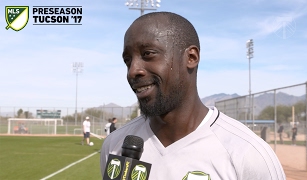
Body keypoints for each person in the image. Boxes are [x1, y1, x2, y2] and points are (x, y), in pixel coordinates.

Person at [100, 12, 285, 179]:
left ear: (191, 58)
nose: (132, 71)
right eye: (127, 60)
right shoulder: (115, 145)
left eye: (148, 54)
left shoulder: (247, 154)